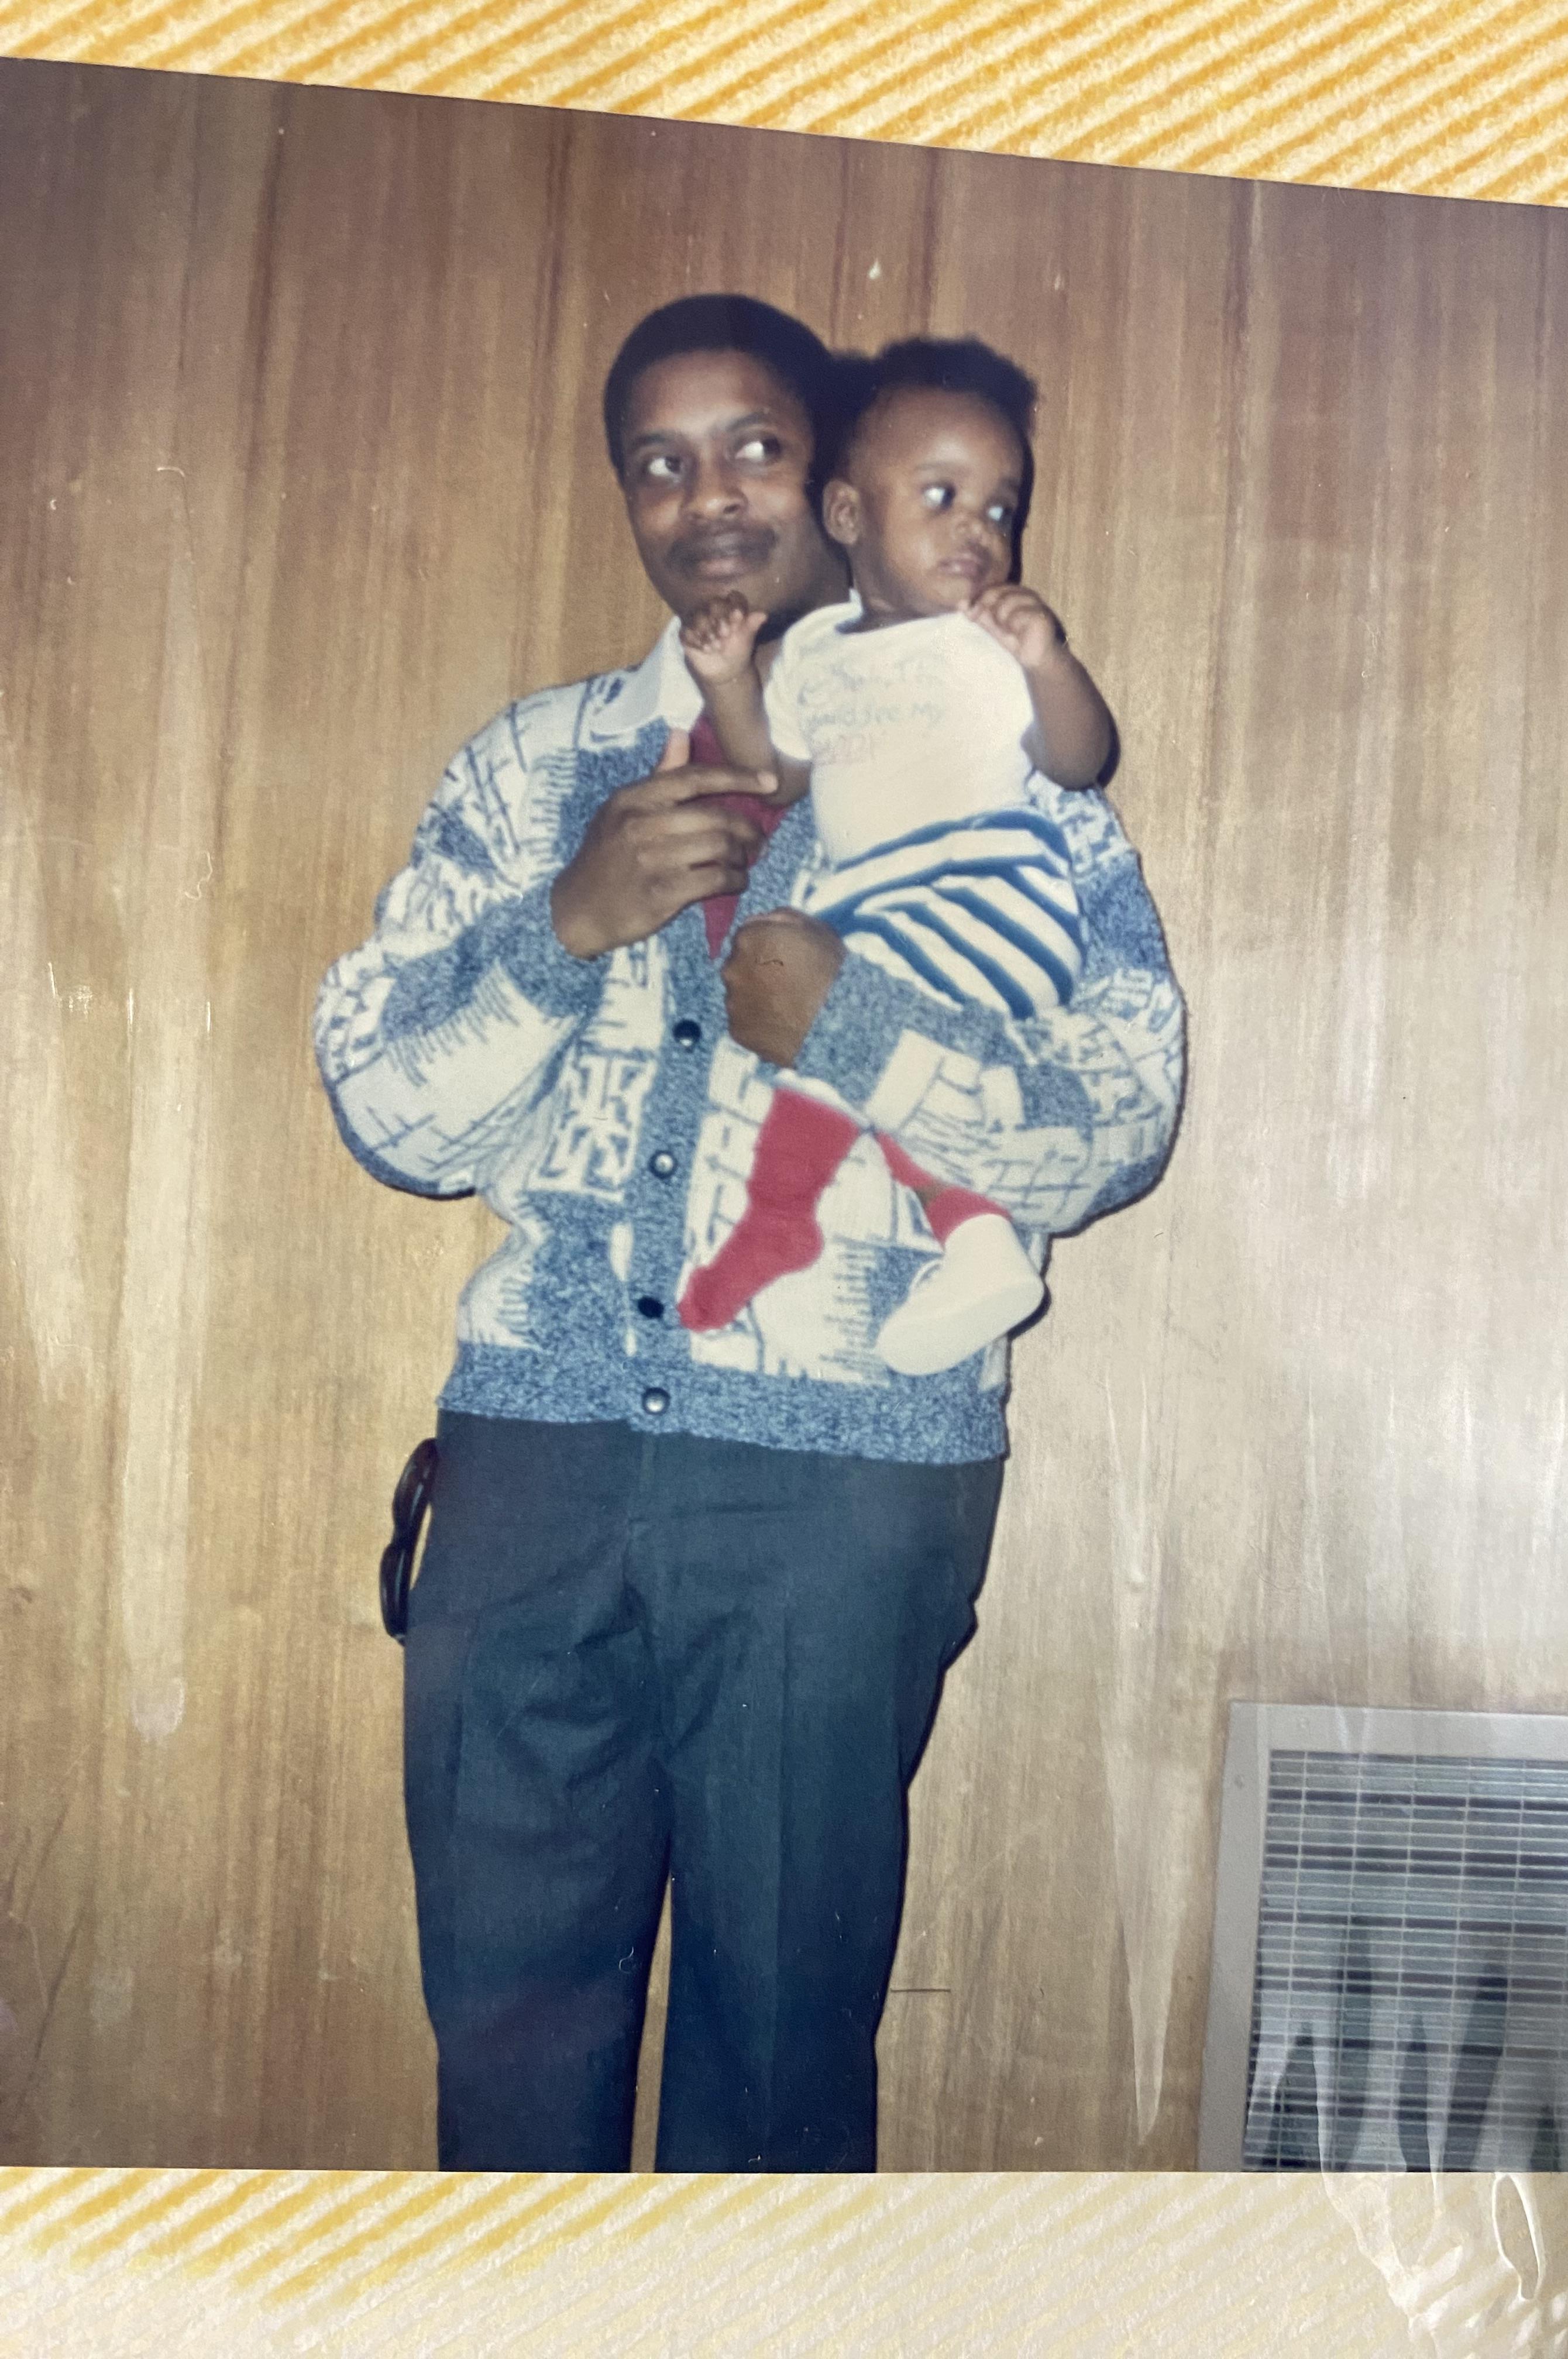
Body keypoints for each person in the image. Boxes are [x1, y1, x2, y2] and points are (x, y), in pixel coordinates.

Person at [313, 293, 1185, 2174]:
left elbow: (1117, 1123)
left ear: (854, 476)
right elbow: (385, 1110)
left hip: (843, 1491)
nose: (707, 498)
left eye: (757, 448)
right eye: (658, 459)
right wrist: (568, 922)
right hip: (534, 1475)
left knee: (779, 2068)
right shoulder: (538, 766)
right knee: (506, 2052)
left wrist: (857, 1028)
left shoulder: (1014, 765)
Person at [675, 336, 1116, 1375]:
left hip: (989, 903)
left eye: (1000, 510)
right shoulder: (822, 653)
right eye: (943, 496)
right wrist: (730, 680)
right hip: (885, 918)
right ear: (847, 517)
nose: (980, 531)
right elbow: (773, 776)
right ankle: (962, 1237)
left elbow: (1081, 762)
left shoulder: (988, 643)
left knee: (820, 1010)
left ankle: (782, 1222)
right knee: (826, 1050)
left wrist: (1050, 662)